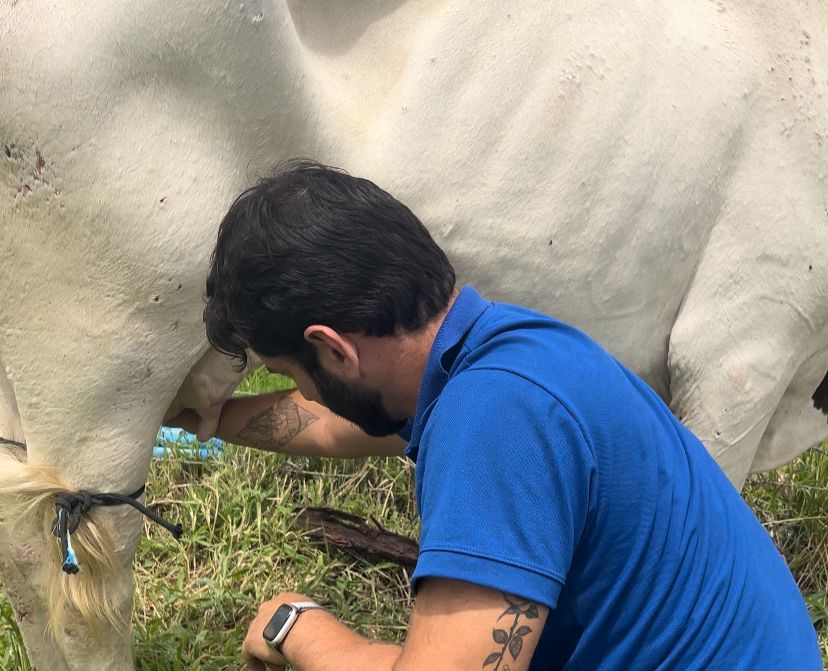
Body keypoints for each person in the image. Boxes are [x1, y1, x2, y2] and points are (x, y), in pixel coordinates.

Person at [170, 159, 821, 670]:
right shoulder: (507, 351)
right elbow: (342, 421)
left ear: (334, 349)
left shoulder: (495, 422)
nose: (303, 395)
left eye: (291, 374)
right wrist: (207, 418)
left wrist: (298, 627)